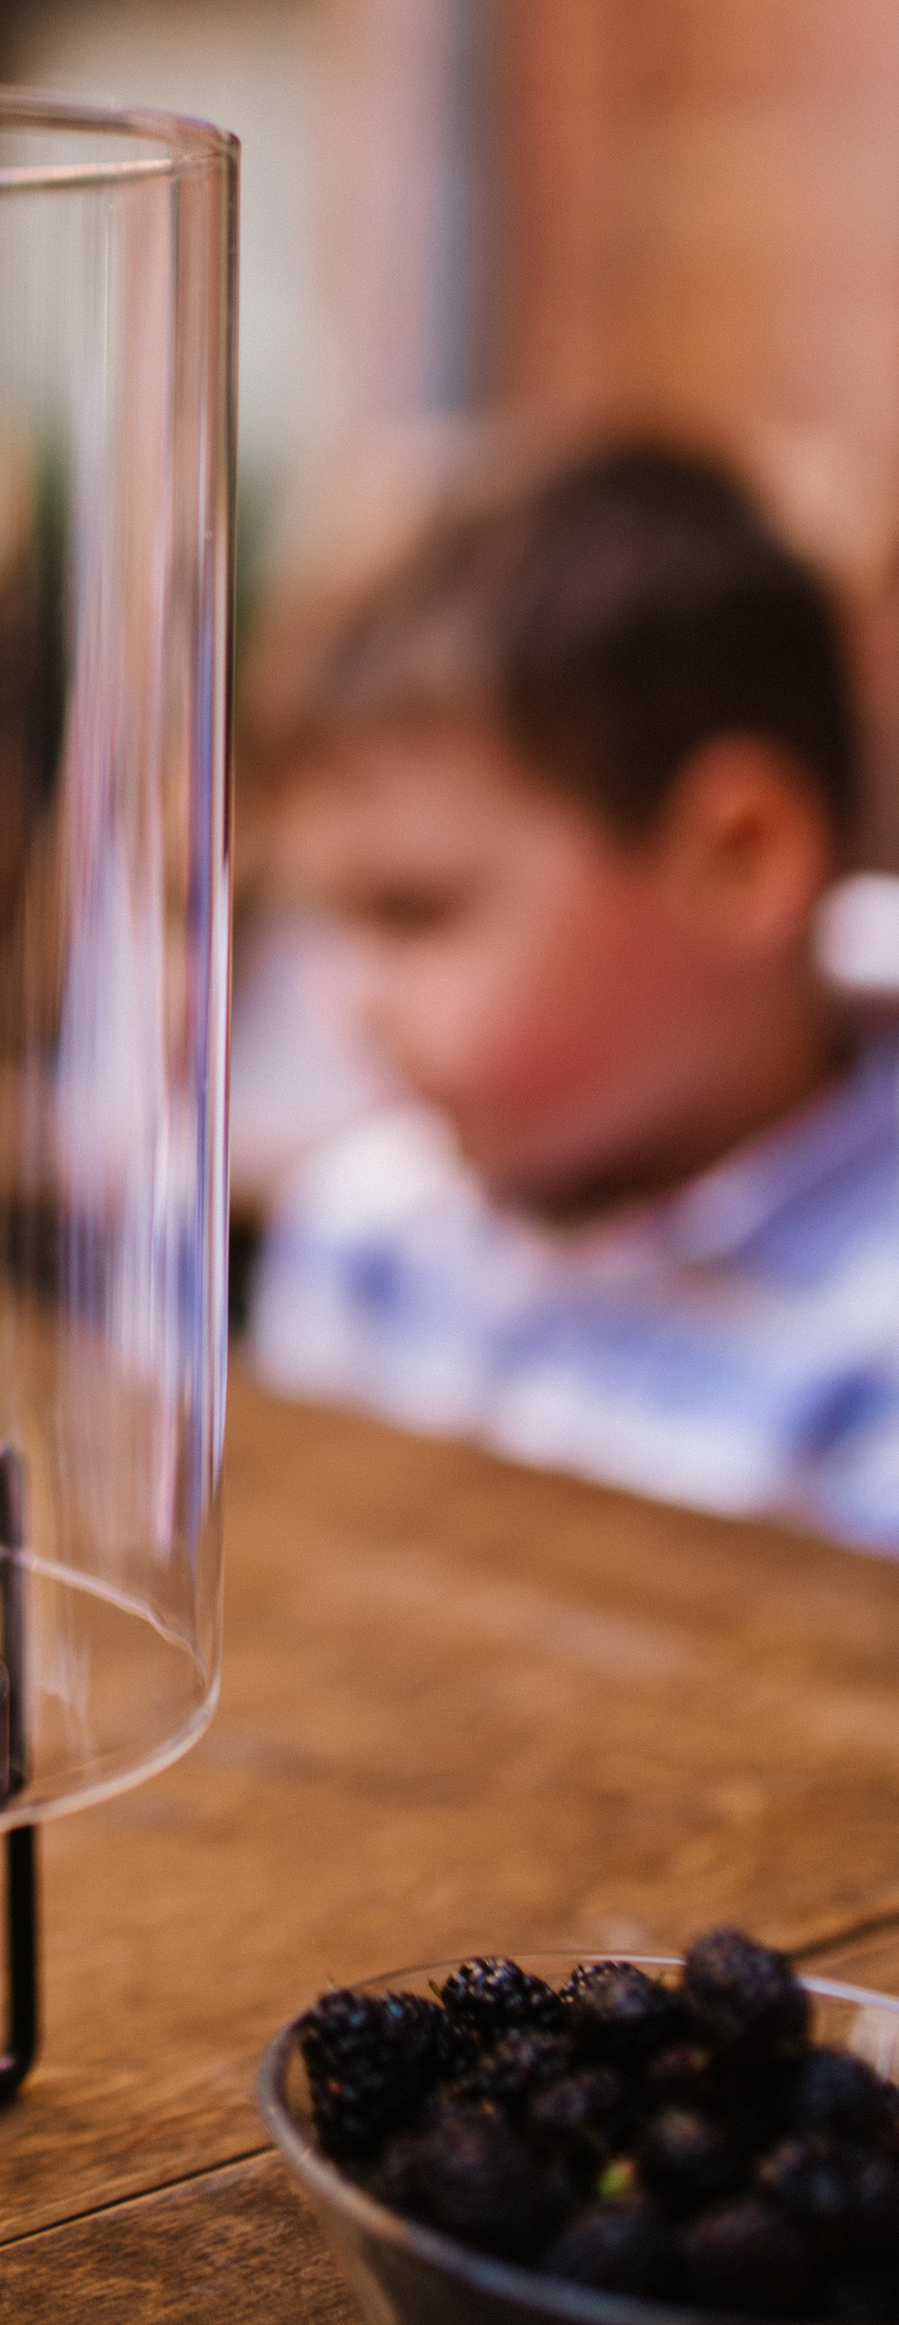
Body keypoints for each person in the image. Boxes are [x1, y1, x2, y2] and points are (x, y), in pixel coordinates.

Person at [249, 437, 899, 1551]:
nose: (344, 1001)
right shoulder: (363, 1237)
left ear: (736, 859)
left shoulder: (869, 1344)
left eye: (414, 910)